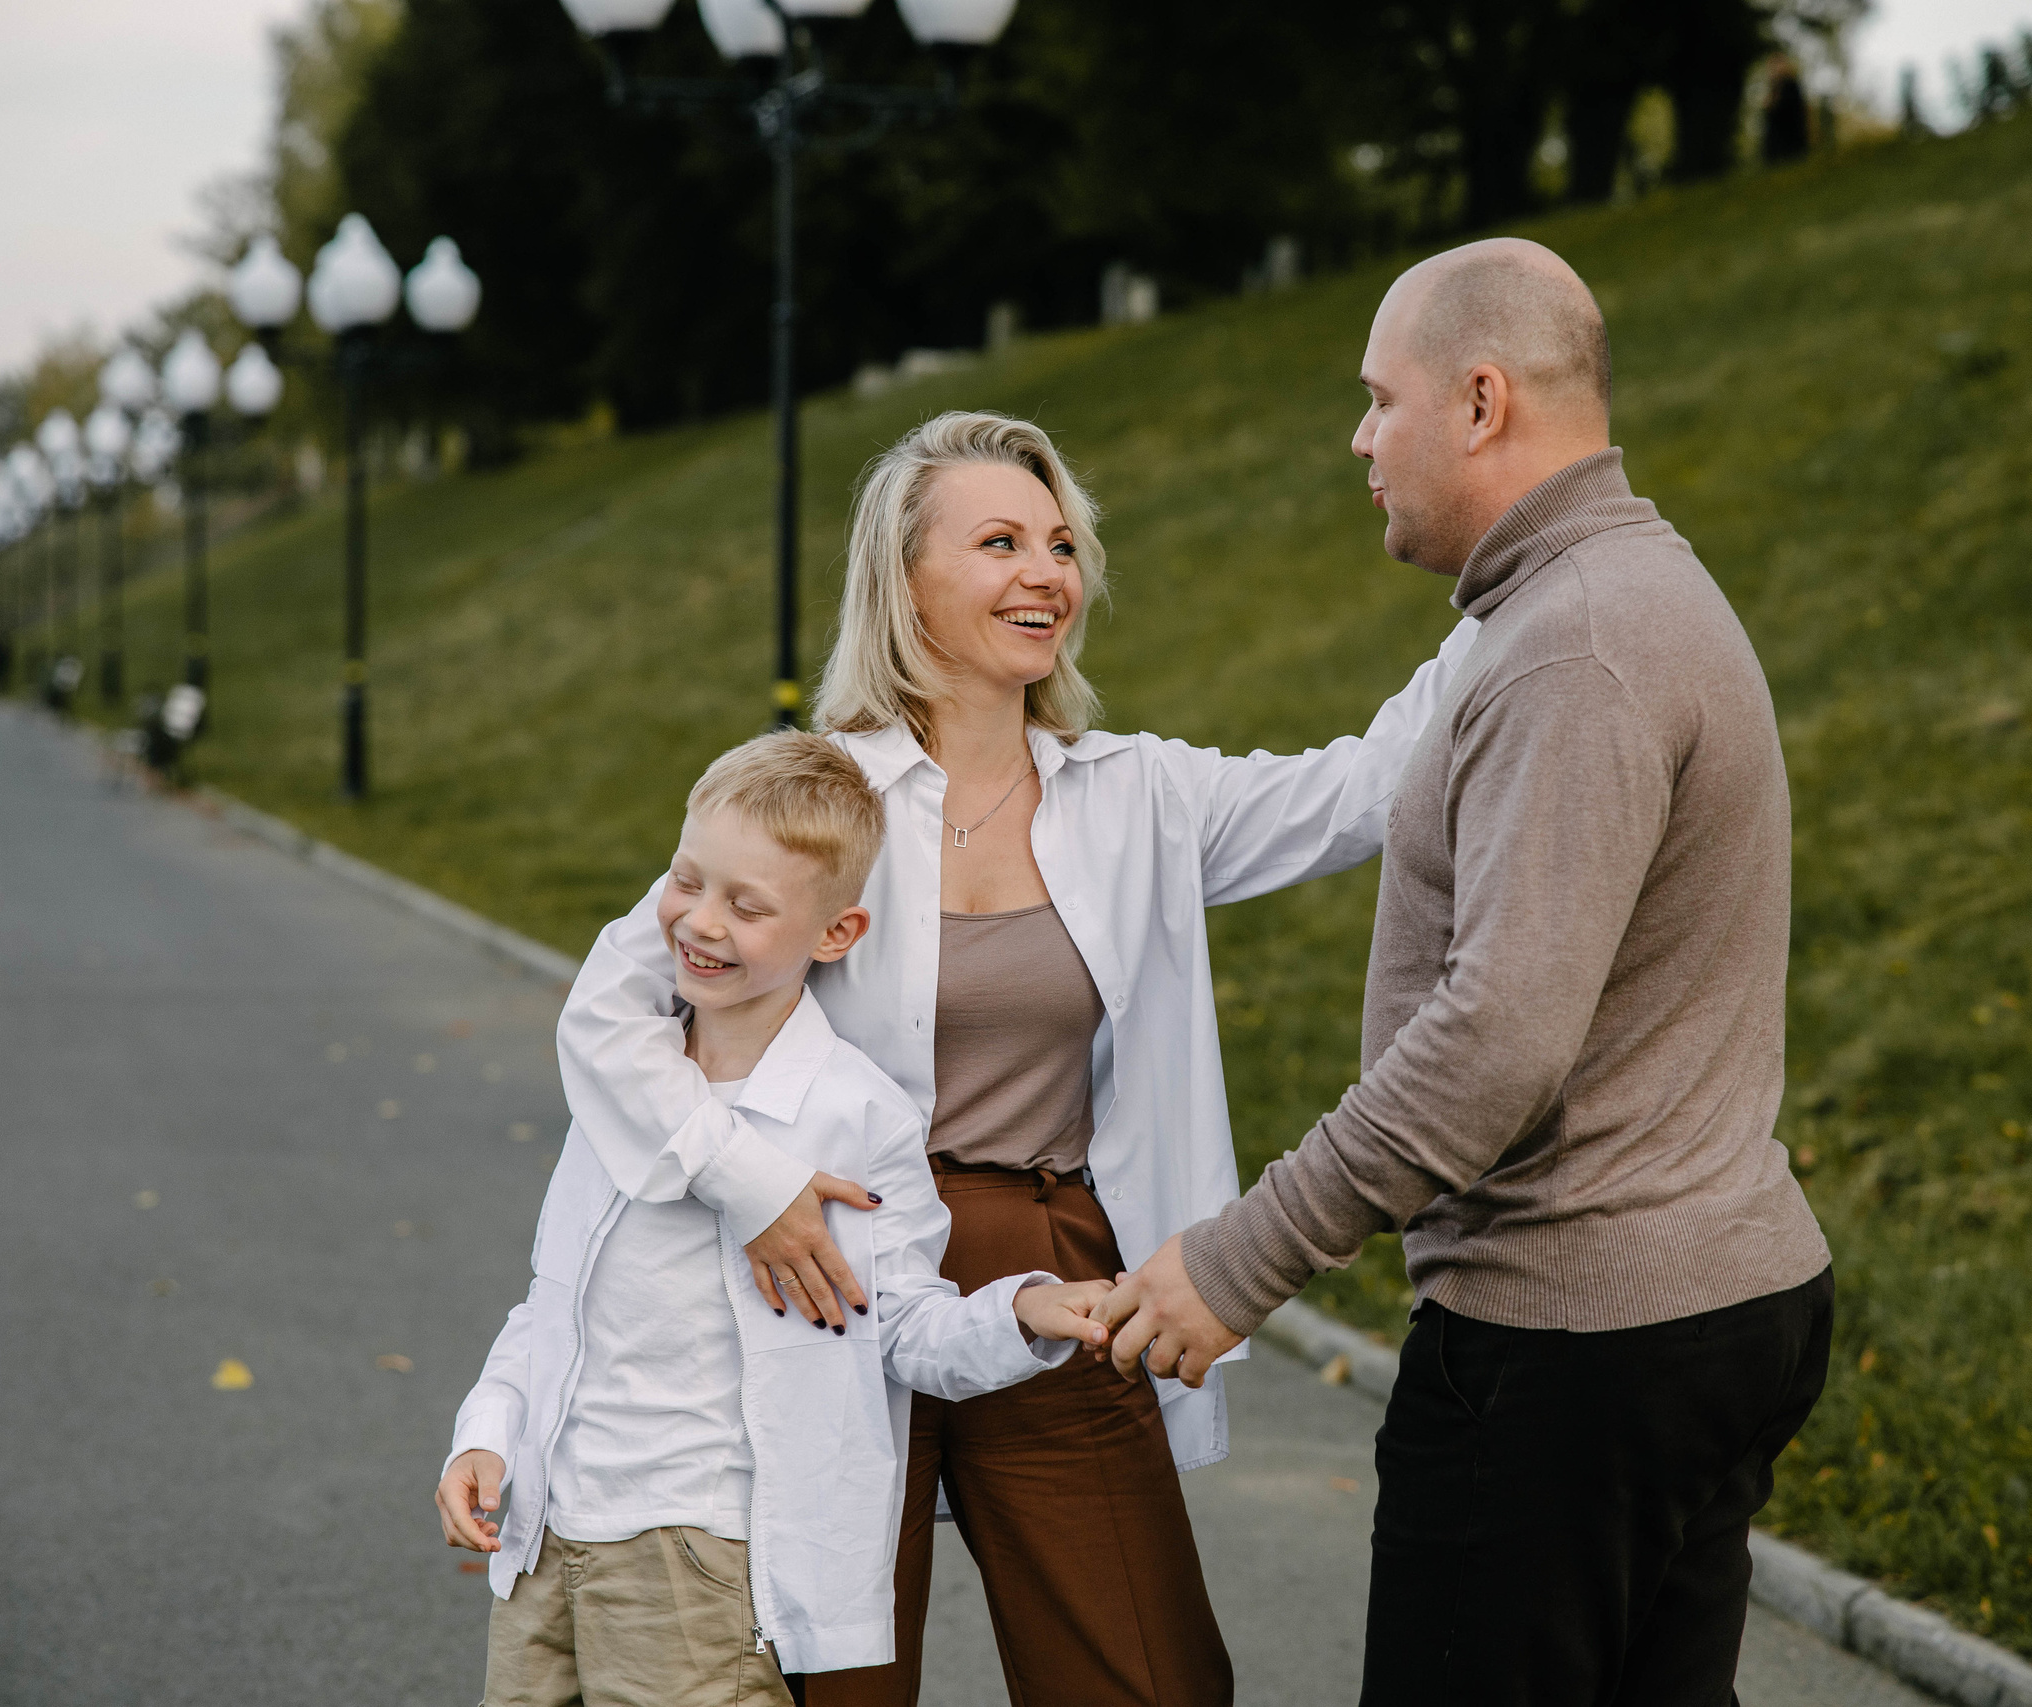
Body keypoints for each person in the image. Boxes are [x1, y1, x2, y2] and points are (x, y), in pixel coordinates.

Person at [557, 411, 1483, 1705]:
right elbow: (609, 1014)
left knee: (1147, 1675)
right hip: (823, 1268)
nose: (1046, 572)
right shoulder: (818, 796)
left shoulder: (1139, 796)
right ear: (905, 581)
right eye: (999, 542)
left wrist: (1517, 581)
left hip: (1052, 1267)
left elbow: (1371, 785)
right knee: (826, 1682)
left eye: (1060, 545)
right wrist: (752, 1185)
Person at [1093, 239, 1837, 1706]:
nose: (1359, 438)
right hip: (1696, 1314)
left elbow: (1496, 1039)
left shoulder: (1573, 650)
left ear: (1482, 402)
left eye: (1381, 399)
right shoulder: (1619, 593)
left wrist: (1237, 1261)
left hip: (1574, 1347)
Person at [437, 731, 1117, 1706]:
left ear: (835, 933)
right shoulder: (627, 1087)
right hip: (543, 1533)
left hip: (694, 1556)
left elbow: (902, 1329)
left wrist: (1021, 1312)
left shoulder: (856, 1116)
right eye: (685, 881)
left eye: (747, 906)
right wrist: (489, 1428)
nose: (699, 921)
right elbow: (558, 1302)